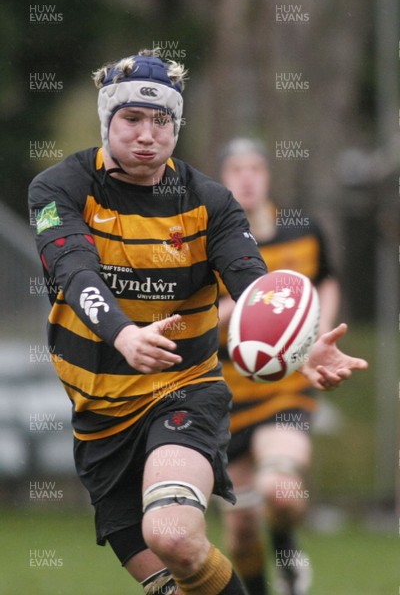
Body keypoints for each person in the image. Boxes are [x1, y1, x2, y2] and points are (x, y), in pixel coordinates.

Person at [28, 50, 367, 595]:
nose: (146, 134)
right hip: (99, 420)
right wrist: (123, 332)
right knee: (174, 584)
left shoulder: (211, 203)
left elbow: (253, 288)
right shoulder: (59, 188)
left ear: (177, 127)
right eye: (131, 119)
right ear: (106, 121)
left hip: (184, 393)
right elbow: (74, 271)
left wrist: (303, 344)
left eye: (161, 121)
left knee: (175, 536)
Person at [216, 137, 345, 595]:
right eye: (236, 170)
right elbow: (189, 323)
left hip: (284, 392)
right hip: (226, 402)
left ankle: (288, 551)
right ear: (224, 180)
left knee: (280, 490)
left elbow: (325, 282)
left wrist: (319, 333)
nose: (247, 178)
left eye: (255, 168)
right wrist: (230, 310)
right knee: (242, 531)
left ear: (267, 176)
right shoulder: (211, 245)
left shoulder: (303, 231)